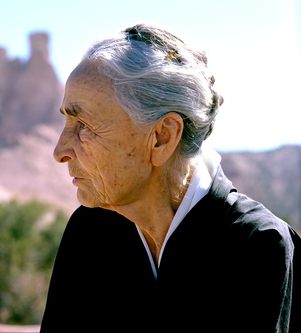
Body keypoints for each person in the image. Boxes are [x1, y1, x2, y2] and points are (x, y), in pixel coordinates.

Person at [40, 23, 301, 332]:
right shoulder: (91, 231)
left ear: (162, 137)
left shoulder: (256, 246)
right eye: (67, 121)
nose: (60, 151)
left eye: (84, 125)